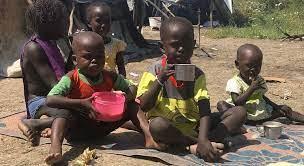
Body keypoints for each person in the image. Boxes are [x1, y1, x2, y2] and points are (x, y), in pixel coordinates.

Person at [136, 17, 247, 161]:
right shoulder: (155, 70)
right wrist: (160, 79)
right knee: (157, 126)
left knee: (239, 112)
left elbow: (204, 109)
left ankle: (200, 143)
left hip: (194, 125)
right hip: (169, 128)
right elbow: (144, 106)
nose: (181, 49)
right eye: (175, 45)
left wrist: (202, 137)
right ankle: (197, 143)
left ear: (193, 45)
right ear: (162, 47)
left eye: (187, 45)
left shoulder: (197, 74)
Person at [45, 31, 159, 164]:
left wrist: (124, 98)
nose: (94, 61)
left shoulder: (109, 76)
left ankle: (149, 137)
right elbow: (51, 99)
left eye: (99, 56)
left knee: (133, 105)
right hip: (78, 130)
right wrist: (81, 103)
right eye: (88, 57)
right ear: (75, 60)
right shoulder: (71, 78)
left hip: (103, 126)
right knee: (62, 113)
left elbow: (132, 88)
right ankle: (55, 148)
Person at [18, 0, 73, 147]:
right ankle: (33, 123)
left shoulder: (53, 43)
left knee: (81, 109)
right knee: (77, 113)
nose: (66, 24)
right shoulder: (33, 48)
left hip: (54, 98)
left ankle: (45, 122)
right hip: (41, 101)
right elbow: (54, 86)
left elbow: (67, 73)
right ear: (49, 23)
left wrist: (75, 52)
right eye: (62, 21)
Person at [217, 44, 304, 125]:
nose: (253, 69)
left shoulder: (259, 79)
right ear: (237, 65)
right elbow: (237, 102)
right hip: (242, 114)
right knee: (221, 105)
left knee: (285, 109)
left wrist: (276, 107)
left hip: (259, 112)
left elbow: (262, 96)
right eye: (249, 65)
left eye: (257, 66)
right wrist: (251, 88)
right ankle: (238, 124)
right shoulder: (234, 82)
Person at [86, 1, 127, 77]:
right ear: (89, 23)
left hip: (110, 83)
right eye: (98, 21)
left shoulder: (116, 45)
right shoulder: (85, 45)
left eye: (107, 21)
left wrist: (122, 83)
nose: (104, 25)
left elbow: (121, 68)